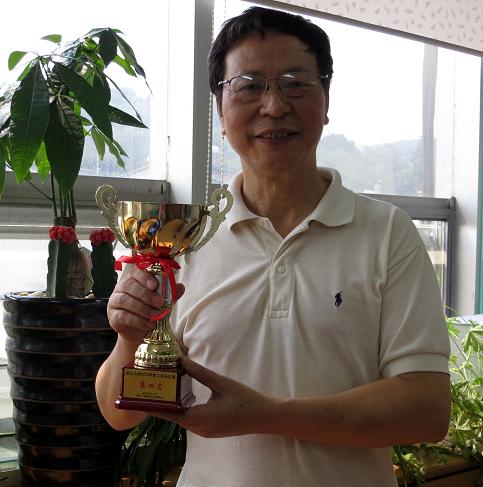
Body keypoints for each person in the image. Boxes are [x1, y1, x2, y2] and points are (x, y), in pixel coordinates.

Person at [96, 7, 451, 487]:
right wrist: (129, 338)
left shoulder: (387, 233)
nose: (274, 105)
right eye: (249, 86)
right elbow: (119, 414)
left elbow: (426, 409)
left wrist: (264, 414)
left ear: (326, 99)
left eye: (295, 83)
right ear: (220, 108)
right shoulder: (182, 239)